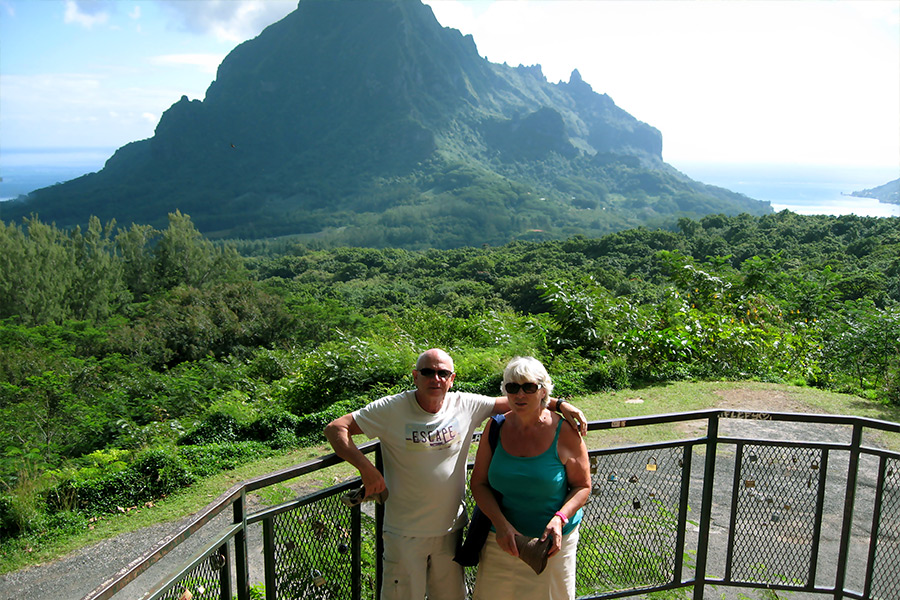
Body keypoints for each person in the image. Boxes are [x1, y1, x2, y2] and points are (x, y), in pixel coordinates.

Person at [324, 348, 587, 600]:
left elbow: (521, 399)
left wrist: (560, 404)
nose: (435, 378)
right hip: (404, 532)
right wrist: (368, 471)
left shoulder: (465, 404)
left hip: (451, 531)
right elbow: (336, 428)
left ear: (452, 378)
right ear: (415, 376)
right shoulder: (392, 408)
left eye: (442, 373)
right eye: (427, 372)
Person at [470, 356, 590, 600]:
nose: (520, 394)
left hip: (551, 546)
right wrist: (502, 526)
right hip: (501, 541)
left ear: (543, 390)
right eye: (512, 388)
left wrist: (560, 518)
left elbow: (582, 486)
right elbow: (479, 483)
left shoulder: (564, 431)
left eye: (528, 387)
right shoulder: (495, 428)